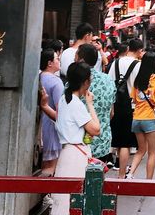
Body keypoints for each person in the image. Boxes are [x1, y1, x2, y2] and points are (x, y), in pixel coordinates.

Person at [52, 62, 100, 215]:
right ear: (85, 82)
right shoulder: (76, 103)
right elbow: (96, 129)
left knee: (64, 199)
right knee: (74, 199)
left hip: (67, 153)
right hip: (75, 155)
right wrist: (90, 104)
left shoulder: (63, 100)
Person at [129, 51, 155, 179]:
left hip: (136, 118)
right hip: (151, 118)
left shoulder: (137, 80)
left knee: (140, 150)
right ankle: (148, 181)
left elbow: (134, 98)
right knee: (152, 153)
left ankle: (130, 174)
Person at [108, 39, 143, 179]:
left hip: (115, 105)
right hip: (132, 106)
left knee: (116, 141)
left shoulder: (115, 63)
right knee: (125, 144)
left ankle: (115, 167)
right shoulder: (139, 65)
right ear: (139, 50)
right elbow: (141, 88)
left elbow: (110, 84)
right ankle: (121, 175)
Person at [77, 44, 116, 165]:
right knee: (98, 179)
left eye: (76, 55)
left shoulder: (76, 80)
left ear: (81, 60)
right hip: (102, 140)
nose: (74, 58)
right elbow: (111, 113)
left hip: (79, 143)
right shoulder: (108, 80)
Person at [38, 48, 64, 176]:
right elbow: (61, 111)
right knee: (50, 166)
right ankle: (46, 194)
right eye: (57, 59)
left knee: (42, 165)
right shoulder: (56, 81)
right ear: (49, 63)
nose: (59, 61)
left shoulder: (38, 77)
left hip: (39, 126)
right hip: (51, 127)